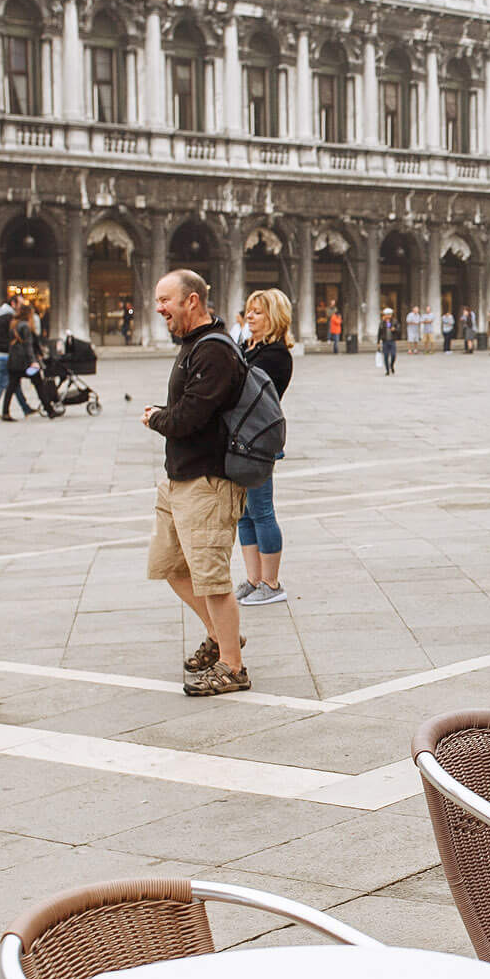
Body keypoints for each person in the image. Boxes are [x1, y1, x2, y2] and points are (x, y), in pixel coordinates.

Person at [144, 270, 251, 697]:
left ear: (192, 300)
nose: (159, 308)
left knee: (212, 578)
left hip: (208, 482)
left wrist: (155, 418)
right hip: (180, 479)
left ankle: (233, 666)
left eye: (165, 299)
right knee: (170, 566)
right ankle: (221, 635)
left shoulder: (214, 351)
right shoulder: (194, 346)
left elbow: (189, 418)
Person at [229, 290, 295, 608]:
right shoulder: (248, 348)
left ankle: (272, 582)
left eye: (257, 312)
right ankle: (253, 579)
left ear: (274, 317)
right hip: (238, 438)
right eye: (248, 311)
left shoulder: (276, 355)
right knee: (244, 513)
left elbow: (243, 391)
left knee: (262, 510)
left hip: (257, 441)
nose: (249, 316)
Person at [377, 307, 399, 376]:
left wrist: (394, 329)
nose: (388, 316)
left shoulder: (394, 321)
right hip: (385, 341)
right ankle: (387, 370)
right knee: (386, 356)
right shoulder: (382, 323)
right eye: (387, 314)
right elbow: (379, 332)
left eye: (389, 314)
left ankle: (391, 365)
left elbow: (399, 329)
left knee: (393, 355)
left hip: (392, 340)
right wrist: (378, 342)